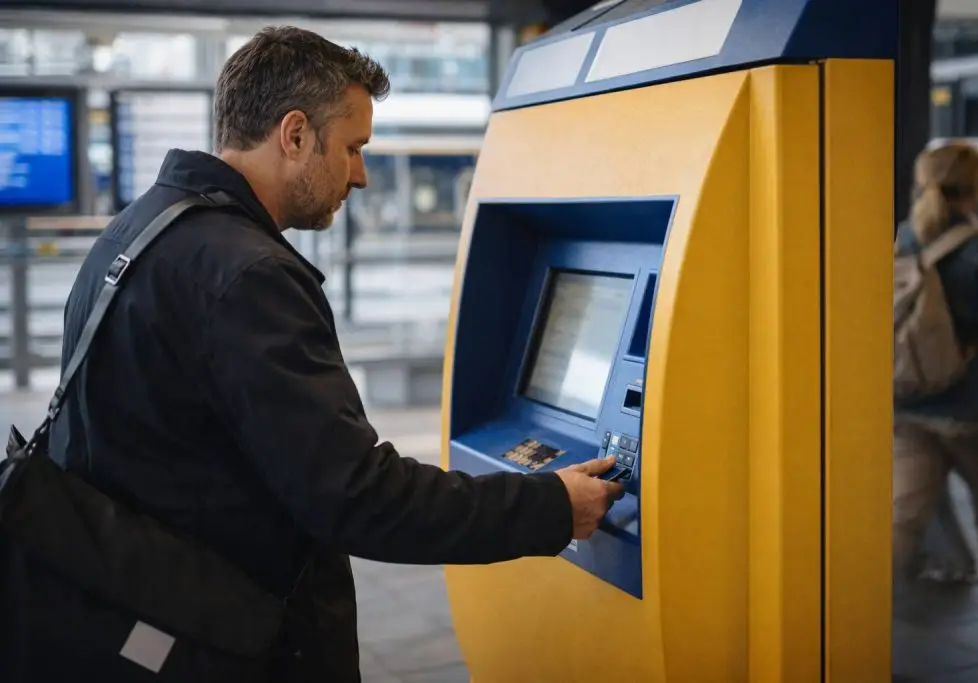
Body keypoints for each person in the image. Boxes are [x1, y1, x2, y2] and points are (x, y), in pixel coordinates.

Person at [45, 26, 623, 681]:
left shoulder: (137, 231)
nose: (362, 174)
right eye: (352, 147)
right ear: (294, 135)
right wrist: (548, 506)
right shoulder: (245, 275)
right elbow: (356, 495)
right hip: (223, 640)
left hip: (136, 615)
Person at [893, 139, 978, 661]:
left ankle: (843, 621)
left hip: (909, 408)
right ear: (975, 185)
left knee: (900, 522)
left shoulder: (904, 239)